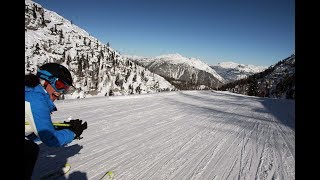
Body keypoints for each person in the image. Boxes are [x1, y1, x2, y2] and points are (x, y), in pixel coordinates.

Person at [25, 63, 87, 180]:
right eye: (59, 85)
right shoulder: (35, 98)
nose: (61, 92)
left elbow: (32, 131)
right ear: (44, 81)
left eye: (66, 88)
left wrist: (61, 128)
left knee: (30, 148)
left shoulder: (30, 92)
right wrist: (73, 132)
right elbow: (50, 139)